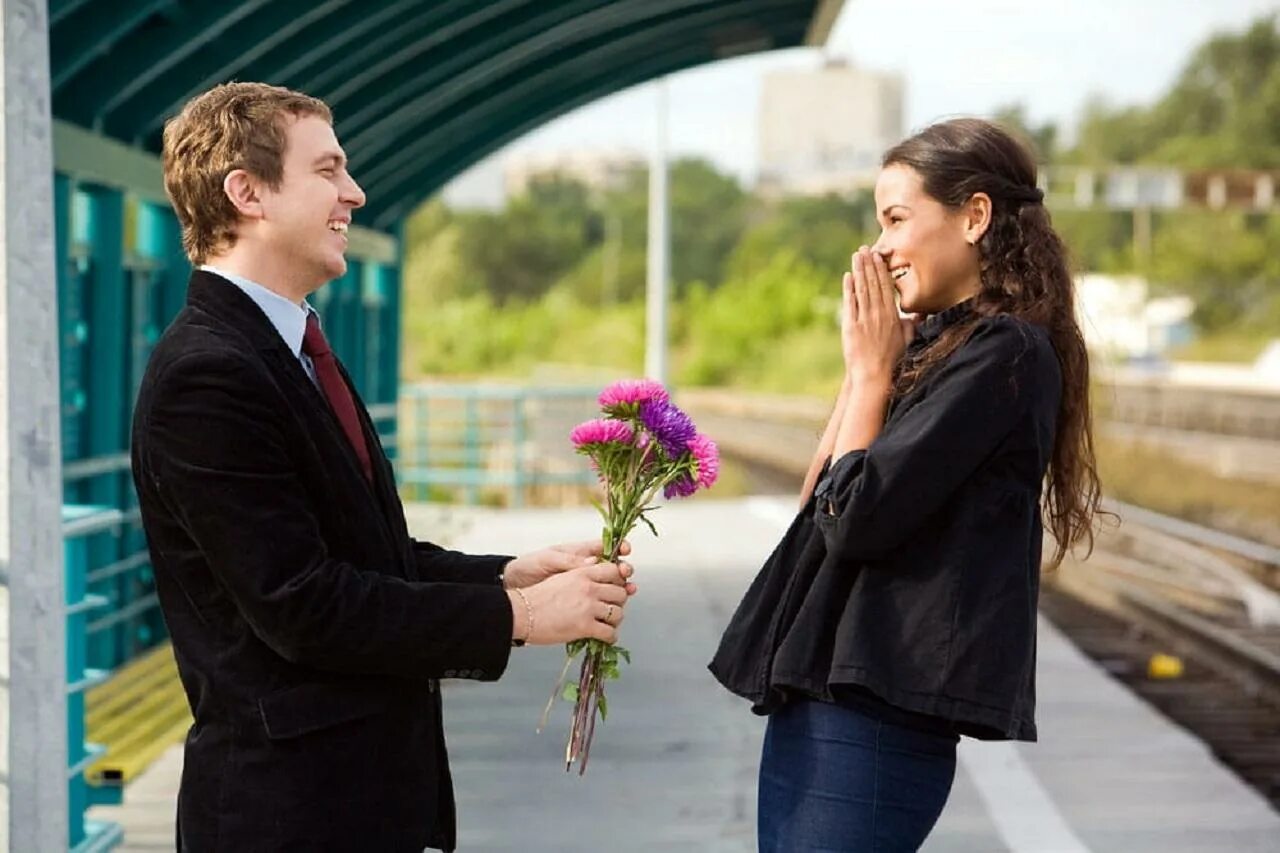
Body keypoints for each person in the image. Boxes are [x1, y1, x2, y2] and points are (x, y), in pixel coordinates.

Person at [131, 82, 635, 852]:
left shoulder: (286, 349)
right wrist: (527, 621)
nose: (355, 193)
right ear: (247, 193)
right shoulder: (209, 375)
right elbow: (304, 604)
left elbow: (360, 558)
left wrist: (508, 575)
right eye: (328, 171)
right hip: (290, 818)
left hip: (350, 807)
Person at [709, 117, 1102, 852]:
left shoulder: (1004, 355)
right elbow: (816, 512)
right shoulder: (935, 347)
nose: (881, 245)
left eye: (897, 219)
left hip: (878, 713)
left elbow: (856, 518)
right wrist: (868, 367)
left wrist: (868, 376)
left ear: (975, 215)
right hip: (831, 700)